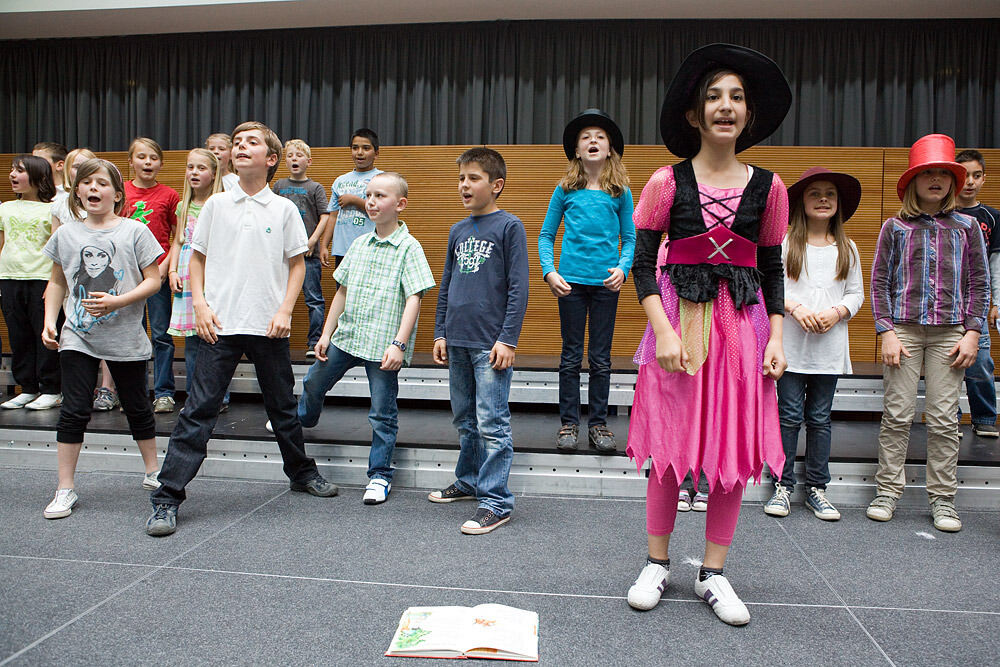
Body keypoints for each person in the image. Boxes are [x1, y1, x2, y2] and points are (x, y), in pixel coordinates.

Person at [624, 44, 791, 626]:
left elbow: (771, 269)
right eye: (714, 97)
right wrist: (663, 331)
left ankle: (713, 574)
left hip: (741, 328)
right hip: (677, 325)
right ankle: (656, 561)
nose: (726, 106)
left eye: (737, 98)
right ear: (695, 114)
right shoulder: (666, 182)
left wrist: (775, 336)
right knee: (669, 446)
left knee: (732, 448)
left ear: (749, 114)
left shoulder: (771, 188)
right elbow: (644, 264)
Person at [146, 121, 337, 537]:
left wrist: (286, 310)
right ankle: (166, 498)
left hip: (269, 326)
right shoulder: (215, 205)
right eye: (237, 143)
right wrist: (198, 304)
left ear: (271, 160)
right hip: (219, 325)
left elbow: (297, 264)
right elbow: (195, 258)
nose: (241, 147)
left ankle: (301, 473)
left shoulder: (284, 209)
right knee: (197, 412)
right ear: (230, 157)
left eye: (252, 143)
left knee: (284, 408)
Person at [867, 134, 988, 533]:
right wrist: (885, 331)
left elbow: (978, 285)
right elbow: (880, 281)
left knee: (942, 418)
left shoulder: (968, 227)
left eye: (943, 173)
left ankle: (943, 499)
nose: (935, 179)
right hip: (903, 330)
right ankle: (887, 491)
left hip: (951, 333)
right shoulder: (895, 227)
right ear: (913, 182)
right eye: (927, 173)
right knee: (897, 413)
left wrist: (972, 333)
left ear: (953, 181)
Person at [290, 171, 434, 505]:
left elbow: (415, 297)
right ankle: (304, 418)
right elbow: (341, 291)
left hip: (383, 345)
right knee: (313, 382)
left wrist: (399, 344)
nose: (371, 202)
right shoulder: (359, 244)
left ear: (400, 205)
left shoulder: (409, 248)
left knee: (382, 413)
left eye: (380, 196)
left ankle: (380, 475)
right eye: (368, 195)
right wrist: (326, 333)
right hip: (349, 336)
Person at [40, 158, 163, 518]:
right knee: (74, 409)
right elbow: (57, 281)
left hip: (125, 335)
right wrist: (50, 320)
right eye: (87, 183)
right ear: (77, 191)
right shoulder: (66, 234)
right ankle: (65, 488)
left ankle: (153, 471)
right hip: (77, 334)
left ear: (116, 193)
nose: (94, 189)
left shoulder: (134, 231)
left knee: (138, 406)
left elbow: (153, 280)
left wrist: (118, 301)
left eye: (102, 183)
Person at [428, 147, 529, 535]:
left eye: (473, 178)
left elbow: (519, 288)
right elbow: (447, 284)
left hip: (490, 345)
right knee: (465, 419)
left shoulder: (509, 227)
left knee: (492, 422)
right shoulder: (457, 230)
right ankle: (469, 481)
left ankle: (497, 501)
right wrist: (441, 331)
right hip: (458, 340)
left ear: (496, 185)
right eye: (461, 179)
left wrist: (508, 340)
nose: (464, 185)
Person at [763, 167, 864, 521]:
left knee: (820, 418)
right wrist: (795, 307)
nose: (823, 199)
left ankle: (817, 488)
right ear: (800, 203)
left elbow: (856, 294)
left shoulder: (847, 248)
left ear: (838, 205)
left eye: (830, 194)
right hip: (790, 346)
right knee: (788, 415)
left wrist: (837, 312)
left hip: (829, 348)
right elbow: (772, 288)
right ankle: (782, 485)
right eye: (814, 193)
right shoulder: (786, 244)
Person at [538, 109, 635, 453]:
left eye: (600, 137)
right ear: (577, 151)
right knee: (570, 355)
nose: (593, 141)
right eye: (585, 138)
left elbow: (631, 238)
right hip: (571, 285)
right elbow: (546, 235)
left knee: (601, 358)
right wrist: (550, 272)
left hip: (606, 284)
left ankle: (598, 424)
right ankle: (569, 424)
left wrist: (623, 268)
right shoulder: (565, 190)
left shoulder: (620, 191)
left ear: (610, 149)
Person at [166, 148, 229, 411]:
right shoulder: (183, 205)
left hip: (211, 272)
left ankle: (218, 397)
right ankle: (194, 396)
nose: (194, 172)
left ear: (213, 174)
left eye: (201, 168)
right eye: (190, 167)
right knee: (191, 341)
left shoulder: (222, 204)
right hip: (185, 274)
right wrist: (171, 271)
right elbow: (178, 242)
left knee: (214, 339)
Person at [123, 137, 180, 413]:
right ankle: (131, 393)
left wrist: (166, 267)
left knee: (160, 334)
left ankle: (164, 392)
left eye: (153, 158)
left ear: (160, 163)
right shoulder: (120, 192)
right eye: (142, 157)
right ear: (131, 161)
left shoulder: (170, 195)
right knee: (130, 333)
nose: (147, 162)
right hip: (125, 277)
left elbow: (178, 237)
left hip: (156, 273)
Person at [0, 155, 62, 410]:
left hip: (41, 278)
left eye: (21, 171)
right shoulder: (5, 208)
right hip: (10, 277)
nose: (13, 175)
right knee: (18, 334)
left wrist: (53, 282)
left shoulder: (52, 209)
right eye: (13, 170)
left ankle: (51, 388)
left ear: (38, 177)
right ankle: (27, 387)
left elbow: (58, 249)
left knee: (44, 334)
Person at [955, 149, 1000, 438]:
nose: (970, 182)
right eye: (964, 175)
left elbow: (996, 263)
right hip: (944, 303)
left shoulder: (992, 217)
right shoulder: (942, 213)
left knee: (981, 361)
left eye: (977, 175)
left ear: (984, 178)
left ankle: (984, 416)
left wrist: (997, 302)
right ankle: (949, 417)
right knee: (946, 362)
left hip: (977, 302)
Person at [272, 139, 331, 355]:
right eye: (289, 155)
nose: (294, 159)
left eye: (298, 155)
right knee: (277, 298)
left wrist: (313, 240)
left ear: (309, 161)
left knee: (313, 299)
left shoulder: (315, 188)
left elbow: (325, 215)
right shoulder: (278, 186)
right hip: (282, 255)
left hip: (308, 255)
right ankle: (274, 339)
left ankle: (314, 342)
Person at [319, 128, 382, 269]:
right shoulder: (340, 181)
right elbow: (333, 216)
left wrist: (355, 201)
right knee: (342, 290)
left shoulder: (382, 179)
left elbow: (383, 212)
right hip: (342, 250)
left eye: (366, 148)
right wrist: (324, 246)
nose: (359, 152)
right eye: (355, 148)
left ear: (376, 153)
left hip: (370, 248)